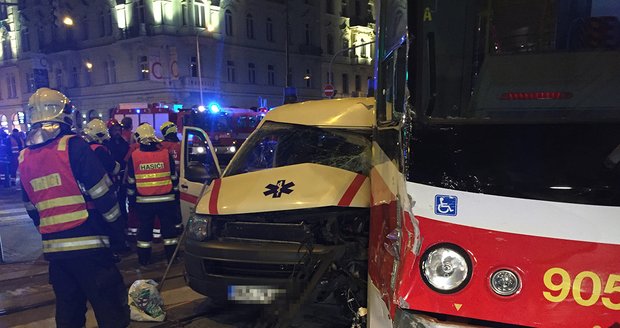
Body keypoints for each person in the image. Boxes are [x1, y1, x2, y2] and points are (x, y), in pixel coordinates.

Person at [18, 88, 130, 328]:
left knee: (69, 313)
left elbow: (30, 206)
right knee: (111, 311)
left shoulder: (23, 157)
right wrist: (119, 234)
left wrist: (50, 229)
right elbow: (103, 194)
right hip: (91, 246)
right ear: (64, 114)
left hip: (56, 253)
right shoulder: (74, 146)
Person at [126, 123, 179, 266]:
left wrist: (131, 201)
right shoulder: (165, 154)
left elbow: (131, 182)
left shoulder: (135, 156)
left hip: (143, 202)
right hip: (166, 200)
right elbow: (174, 178)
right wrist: (175, 196)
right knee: (169, 232)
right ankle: (172, 259)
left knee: (144, 232)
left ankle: (144, 260)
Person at [105, 118, 129, 232]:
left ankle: (125, 222)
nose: (117, 132)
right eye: (115, 130)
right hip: (112, 178)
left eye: (119, 130)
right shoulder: (107, 145)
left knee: (122, 201)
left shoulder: (124, 143)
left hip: (123, 177)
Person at [159, 121, 183, 234]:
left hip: (163, 182)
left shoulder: (160, 146)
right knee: (176, 205)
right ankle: (177, 227)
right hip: (177, 180)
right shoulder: (180, 146)